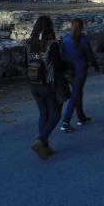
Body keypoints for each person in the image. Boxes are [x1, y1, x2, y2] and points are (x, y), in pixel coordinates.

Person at [26, 15, 68, 160]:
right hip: (47, 84)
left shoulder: (31, 44)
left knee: (43, 113)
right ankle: (41, 139)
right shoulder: (52, 45)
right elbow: (57, 66)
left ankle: (44, 147)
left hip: (33, 83)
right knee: (55, 115)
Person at [59, 18, 100, 132]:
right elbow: (90, 55)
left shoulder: (66, 39)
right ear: (81, 27)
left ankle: (81, 116)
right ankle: (66, 121)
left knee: (78, 93)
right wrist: (96, 66)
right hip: (80, 70)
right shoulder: (83, 40)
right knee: (76, 95)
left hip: (68, 71)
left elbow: (62, 55)